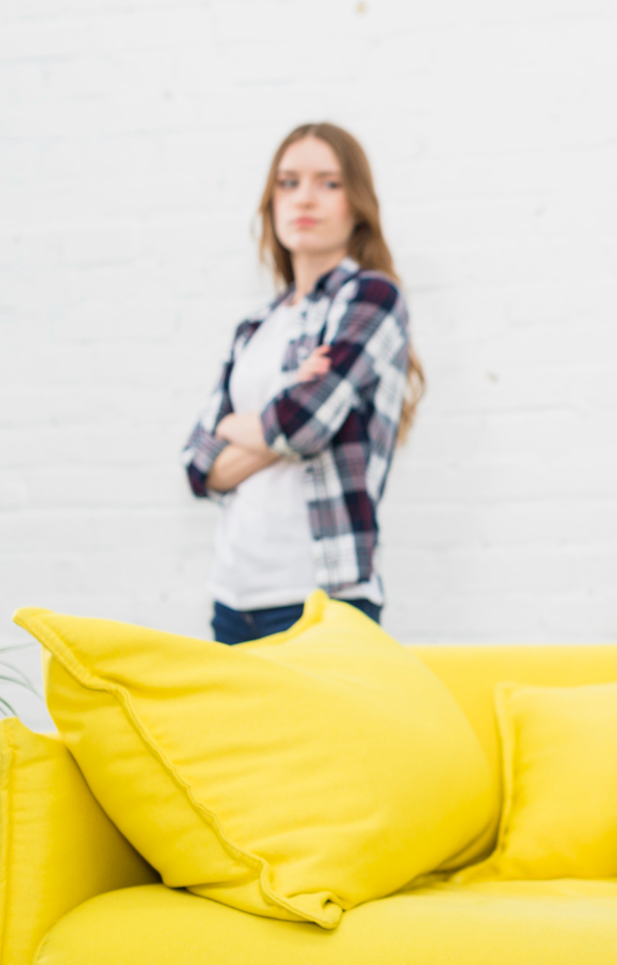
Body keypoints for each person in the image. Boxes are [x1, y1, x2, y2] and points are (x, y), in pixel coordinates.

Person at [181, 123, 423, 644]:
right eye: (288, 183)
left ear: (357, 203)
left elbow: (303, 426)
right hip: (233, 599)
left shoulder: (371, 298)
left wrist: (238, 425)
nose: (305, 198)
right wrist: (282, 412)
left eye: (328, 183)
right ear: (270, 201)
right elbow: (198, 468)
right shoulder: (255, 326)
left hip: (324, 598)